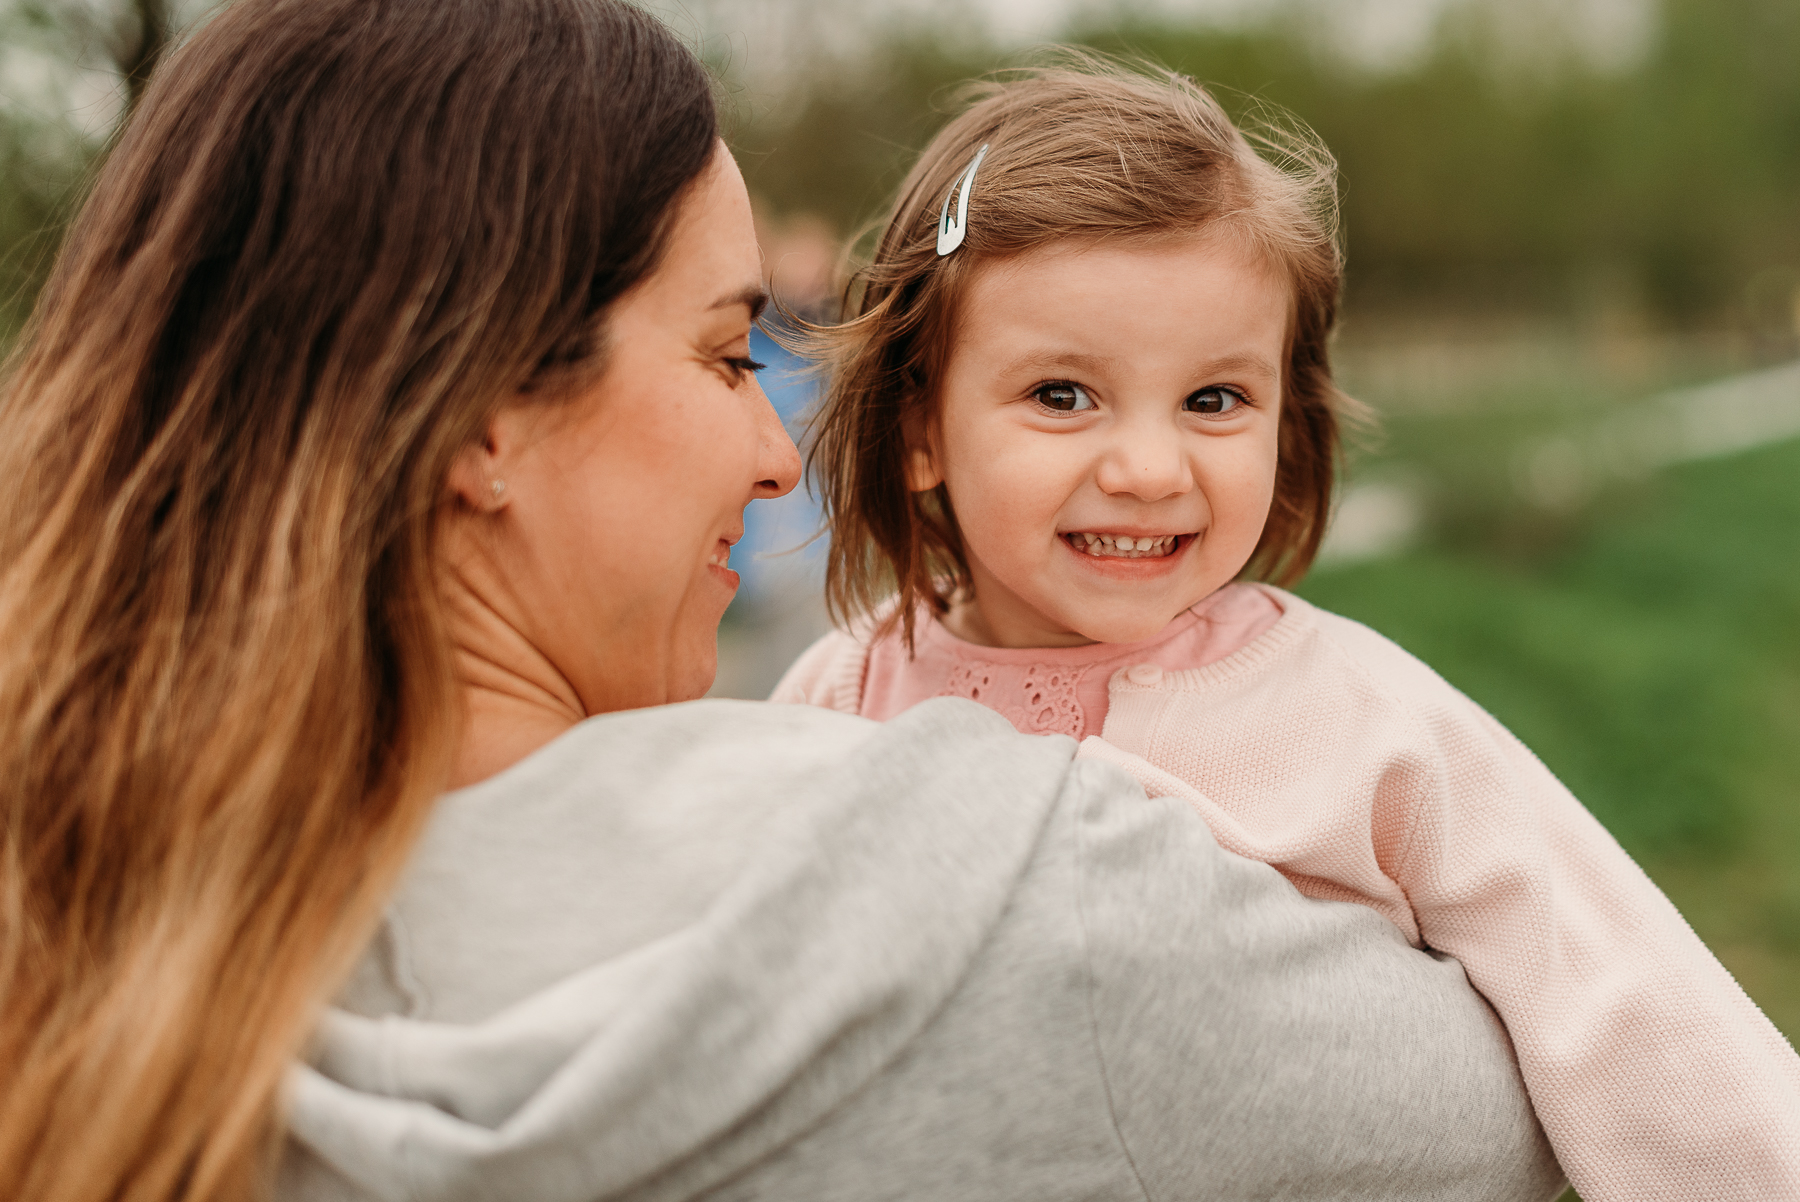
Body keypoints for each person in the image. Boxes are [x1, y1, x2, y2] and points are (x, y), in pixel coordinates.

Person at [0, 3, 1567, 1200]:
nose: (771, 452)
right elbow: (1539, 1130)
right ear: (480, 410)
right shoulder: (1021, 891)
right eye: (727, 351)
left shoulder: (76, 943)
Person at [772, 60, 1800, 1201]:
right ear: (920, 428)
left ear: (1287, 417)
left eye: (1215, 399)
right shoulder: (840, 696)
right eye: (1063, 393)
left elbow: (1619, 990)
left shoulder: (1362, 719)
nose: (1149, 468)